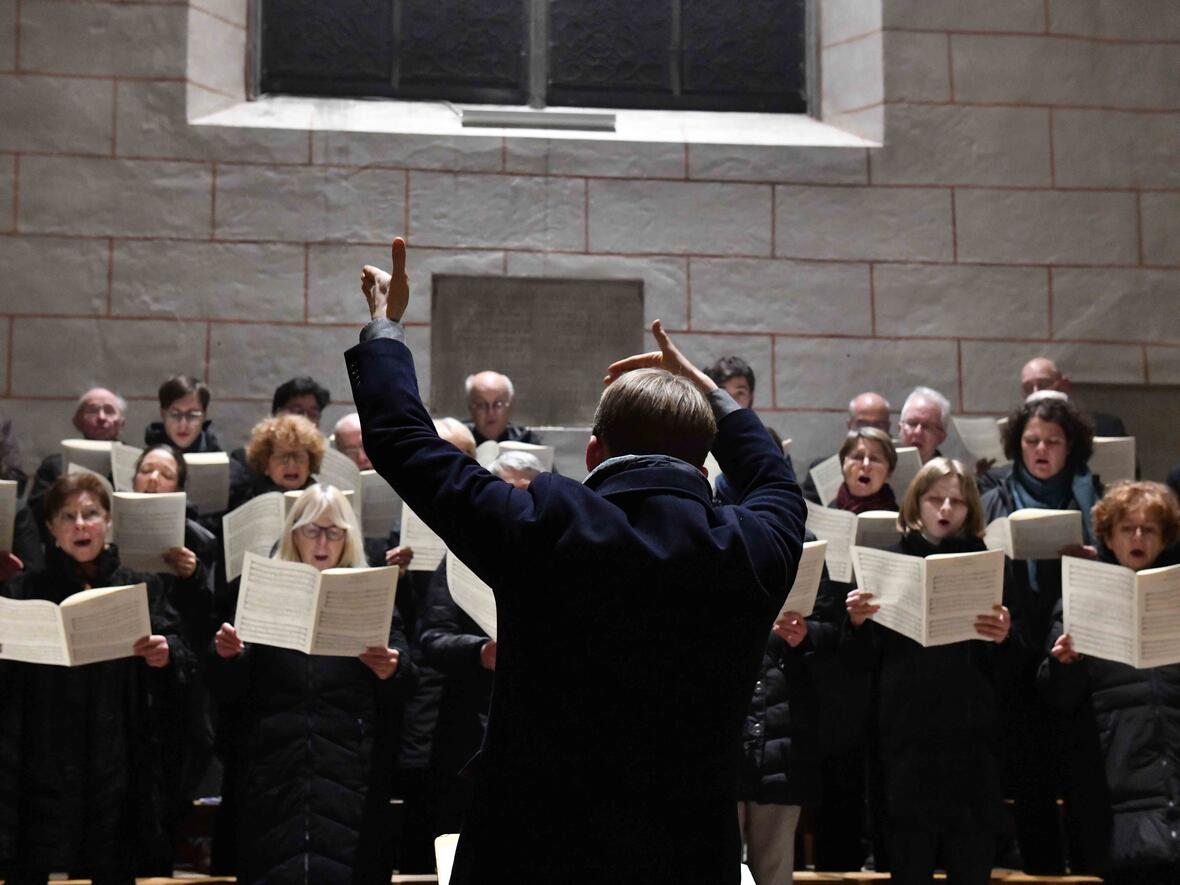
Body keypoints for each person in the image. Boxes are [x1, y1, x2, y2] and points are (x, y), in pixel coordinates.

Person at [349, 237, 805, 883]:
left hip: (536, 849)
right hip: (685, 855)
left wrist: (384, 325)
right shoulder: (753, 547)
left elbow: (401, 440)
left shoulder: (542, 524)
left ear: (594, 452)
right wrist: (706, 388)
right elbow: (772, 475)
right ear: (705, 460)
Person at [207, 484, 414, 884]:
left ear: (348, 538)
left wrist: (393, 669)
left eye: (334, 531)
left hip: (348, 766)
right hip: (275, 765)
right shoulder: (261, 589)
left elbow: (406, 678)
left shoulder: (370, 590)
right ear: (293, 535)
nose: (322, 542)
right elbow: (228, 689)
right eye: (311, 530)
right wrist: (227, 655)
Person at [0, 473, 194, 884]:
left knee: (113, 858)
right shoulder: (24, 589)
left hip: (115, 749)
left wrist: (165, 654)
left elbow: (181, 651)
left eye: (91, 514)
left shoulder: (140, 585)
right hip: (45, 750)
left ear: (108, 521)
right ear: (51, 529)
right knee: (33, 858)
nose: (80, 525)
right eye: (67, 516)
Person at [846, 459, 1016, 885]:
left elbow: (1012, 667)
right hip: (906, 740)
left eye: (956, 502)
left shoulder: (987, 561)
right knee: (909, 862)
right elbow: (861, 664)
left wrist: (1003, 636)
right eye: (935, 499)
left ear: (970, 508)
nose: (945, 510)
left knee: (970, 861)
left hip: (970, 742)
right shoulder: (889, 560)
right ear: (916, 502)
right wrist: (857, 624)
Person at [981, 393, 1105, 875]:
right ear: (1018, 444)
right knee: (1029, 785)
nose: (1041, 449)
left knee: (1081, 784)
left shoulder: (1092, 497)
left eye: (1053, 441)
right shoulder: (994, 497)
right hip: (1012, 651)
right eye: (1032, 440)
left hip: (1071, 651)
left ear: (1070, 446)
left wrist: (1093, 560)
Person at [1040, 481, 1180, 885]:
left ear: (1165, 538)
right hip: (1114, 779)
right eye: (1127, 528)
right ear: (1107, 537)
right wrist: (1063, 664)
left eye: (1149, 529)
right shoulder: (1078, 601)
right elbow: (1057, 699)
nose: (1138, 537)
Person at [416, 452, 541, 837]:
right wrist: (481, 652)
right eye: (506, 490)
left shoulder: (556, 552)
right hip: (468, 726)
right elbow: (432, 638)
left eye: (525, 492)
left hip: (534, 730)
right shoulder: (460, 554)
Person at [737, 547, 845, 885]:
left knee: (773, 869)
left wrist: (807, 635)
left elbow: (833, 633)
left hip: (784, 739)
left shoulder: (805, 545)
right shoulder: (717, 529)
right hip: (730, 735)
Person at [27, 387, 127, 539]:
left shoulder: (136, 464)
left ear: (121, 422)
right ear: (77, 421)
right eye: (93, 410)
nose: (101, 417)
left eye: (109, 411)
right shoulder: (54, 466)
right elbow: (36, 518)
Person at [801, 392, 891, 503]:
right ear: (850, 426)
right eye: (862, 424)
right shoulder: (820, 469)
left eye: (878, 425)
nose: (870, 431)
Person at [228, 413, 325, 510]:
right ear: (265, 464)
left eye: (298, 457)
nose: (291, 464)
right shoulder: (244, 500)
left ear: (310, 463)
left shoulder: (322, 500)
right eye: (282, 457)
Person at [1020, 357, 1127, 438]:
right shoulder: (1017, 433)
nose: (1036, 393)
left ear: (1064, 386)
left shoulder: (1106, 427)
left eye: (1043, 384)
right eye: (1028, 388)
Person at [144, 375, 223, 454]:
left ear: (204, 415)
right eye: (175, 415)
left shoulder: (221, 460)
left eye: (192, 415)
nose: (183, 425)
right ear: (163, 414)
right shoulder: (146, 460)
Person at [462, 370, 541, 447]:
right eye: (481, 405)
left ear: (510, 405)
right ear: (470, 408)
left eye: (498, 404)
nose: (491, 412)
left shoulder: (526, 440)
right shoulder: (458, 441)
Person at [834, 427, 898, 514]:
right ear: (842, 465)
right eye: (858, 457)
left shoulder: (900, 520)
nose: (866, 465)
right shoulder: (823, 509)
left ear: (889, 473)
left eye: (874, 459)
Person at [898, 387, 950, 464]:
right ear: (899, 428)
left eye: (927, 427)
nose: (918, 432)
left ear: (941, 437)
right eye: (913, 424)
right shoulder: (882, 473)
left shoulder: (949, 475)